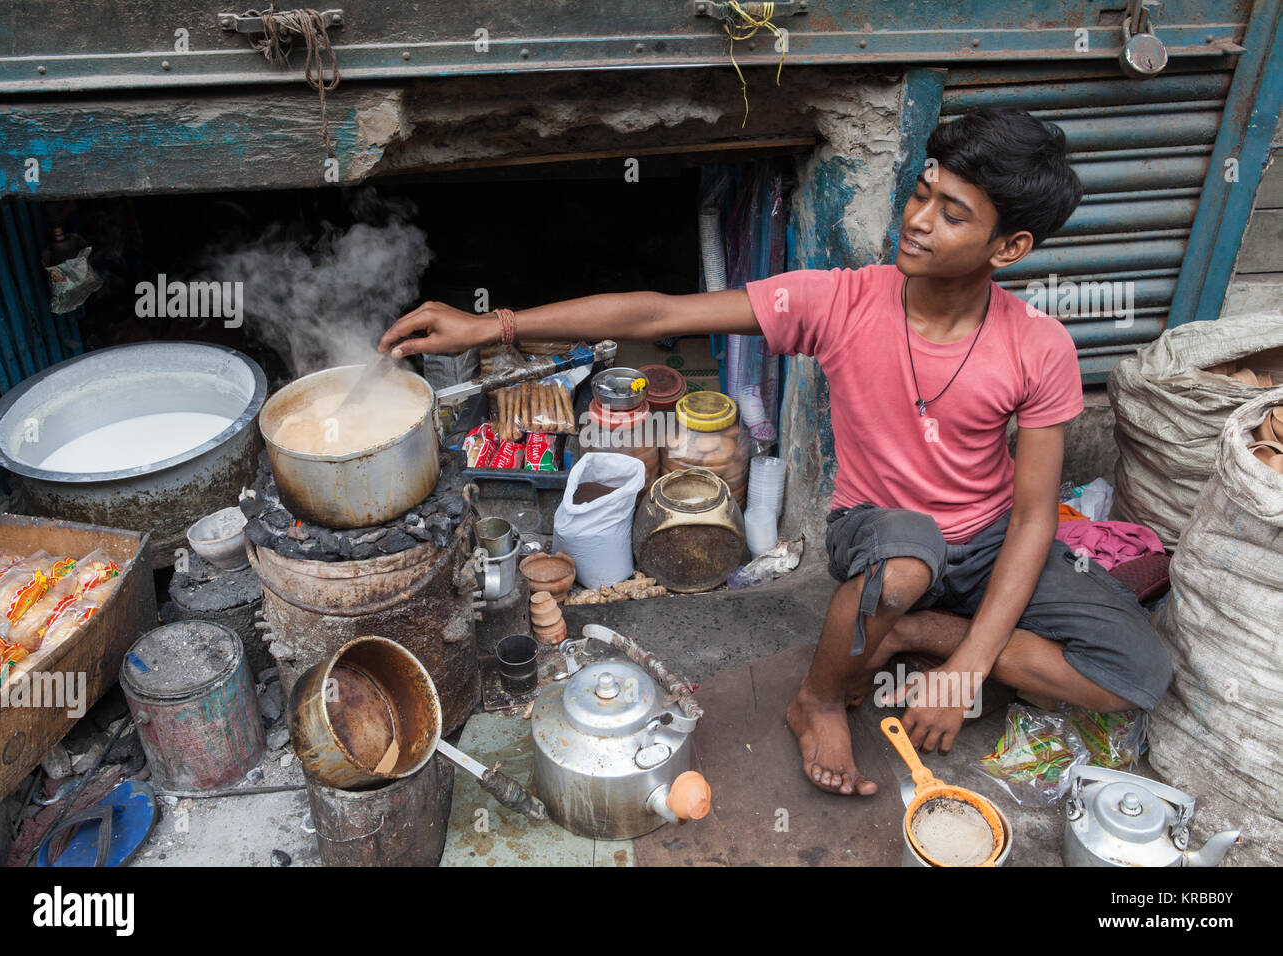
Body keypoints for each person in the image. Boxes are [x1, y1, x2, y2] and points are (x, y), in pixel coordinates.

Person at [379, 107, 1172, 797]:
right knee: (906, 564)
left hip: (992, 537)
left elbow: (1036, 517)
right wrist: (493, 326)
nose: (919, 219)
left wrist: (964, 664)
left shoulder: (1040, 347)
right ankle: (818, 702)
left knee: (1137, 673)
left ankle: (919, 633)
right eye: (922, 192)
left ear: (1011, 246)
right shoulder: (840, 300)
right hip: (881, 527)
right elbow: (658, 312)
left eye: (954, 213)